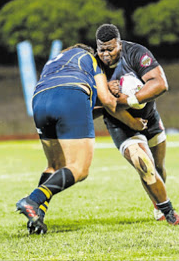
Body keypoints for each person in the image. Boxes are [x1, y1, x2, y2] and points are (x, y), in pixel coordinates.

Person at [15, 43, 121, 234]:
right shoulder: (90, 59)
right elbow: (106, 101)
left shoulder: (53, 63)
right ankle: (32, 200)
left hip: (39, 100)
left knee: (54, 165)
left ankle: (36, 218)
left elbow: (78, 106)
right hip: (70, 94)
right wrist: (130, 102)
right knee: (79, 168)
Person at [94, 23, 179, 225]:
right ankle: (169, 213)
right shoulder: (94, 66)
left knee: (159, 167)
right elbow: (100, 106)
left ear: (119, 44)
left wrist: (129, 99)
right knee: (144, 164)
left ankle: (157, 206)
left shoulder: (136, 52)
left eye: (110, 49)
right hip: (121, 123)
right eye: (101, 50)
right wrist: (107, 96)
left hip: (149, 117)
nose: (106, 54)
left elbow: (160, 84)